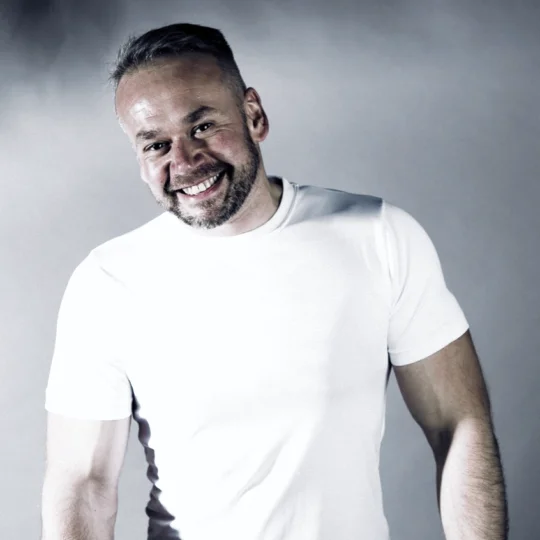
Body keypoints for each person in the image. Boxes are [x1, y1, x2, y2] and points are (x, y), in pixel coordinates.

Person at [41, 23, 508, 540]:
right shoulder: (107, 282)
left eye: (203, 126)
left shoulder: (379, 236)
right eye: (156, 145)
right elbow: (83, 483)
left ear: (254, 116)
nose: (184, 161)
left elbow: (458, 423)